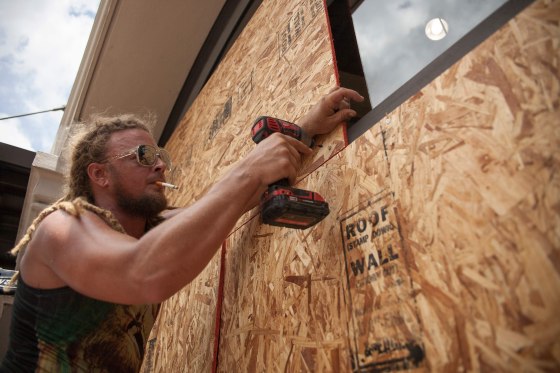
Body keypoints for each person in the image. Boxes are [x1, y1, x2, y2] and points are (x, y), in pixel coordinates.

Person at [1, 87, 363, 372]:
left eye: (160, 157)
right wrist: (251, 168)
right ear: (99, 175)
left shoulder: (150, 232)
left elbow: (225, 203)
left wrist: (303, 131)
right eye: (143, 156)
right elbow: (141, 272)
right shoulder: (62, 226)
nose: (160, 166)